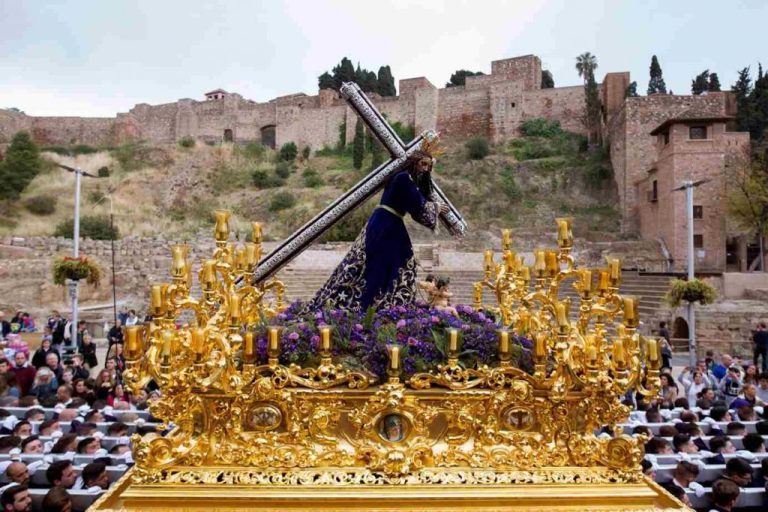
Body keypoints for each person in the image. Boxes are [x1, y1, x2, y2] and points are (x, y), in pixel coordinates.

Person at [306, 147, 450, 312]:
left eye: (428, 166)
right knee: (386, 263)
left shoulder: (404, 179)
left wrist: (430, 204)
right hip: (387, 224)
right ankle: (377, 305)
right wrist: (436, 207)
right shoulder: (403, 178)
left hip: (387, 222)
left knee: (396, 261)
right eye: (423, 164)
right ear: (413, 162)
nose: (425, 169)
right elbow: (417, 205)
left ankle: (387, 303)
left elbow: (415, 206)